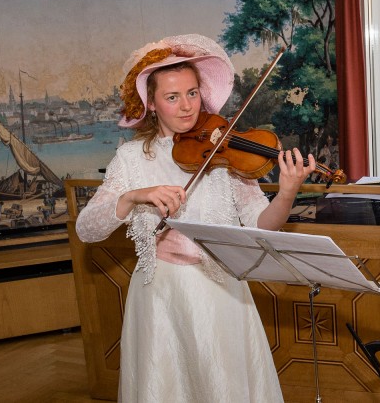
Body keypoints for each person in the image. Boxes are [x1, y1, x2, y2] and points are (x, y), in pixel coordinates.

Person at [75, 34, 314, 402]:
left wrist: (286, 193)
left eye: (192, 93)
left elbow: (260, 224)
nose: (187, 106)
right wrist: (132, 196)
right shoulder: (131, 158)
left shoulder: (223, 150)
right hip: (160, 296)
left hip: (219, 293)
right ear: (151, 104)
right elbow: (87, 229)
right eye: (172, 97)